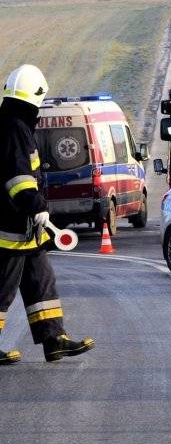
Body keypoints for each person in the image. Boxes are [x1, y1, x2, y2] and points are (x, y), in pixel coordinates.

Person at [0, 64, 95, 364]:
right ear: (36, 97)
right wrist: (36, 205)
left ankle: (54, 339)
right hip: (10, 229)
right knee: (2, 290)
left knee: (42, 282)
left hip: (25, 229)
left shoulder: (14, 124)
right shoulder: (14, 127)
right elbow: (18, 177)